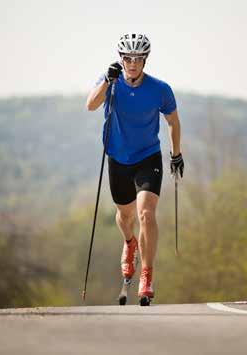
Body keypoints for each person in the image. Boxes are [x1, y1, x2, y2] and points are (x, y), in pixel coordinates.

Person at [86, 33, 184, 301]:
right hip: (118, 158)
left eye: (137, 59)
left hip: (148, 158)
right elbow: (91, 105)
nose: (132, 63)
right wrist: (106, 80)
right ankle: (129, 243)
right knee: (125, 215)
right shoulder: (111, 83)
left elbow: (173, 122)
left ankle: (147, 275)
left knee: (146, 214)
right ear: (121, 59)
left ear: (145, 60)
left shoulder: (159, 89)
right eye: (127, 58)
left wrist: (176, 155)